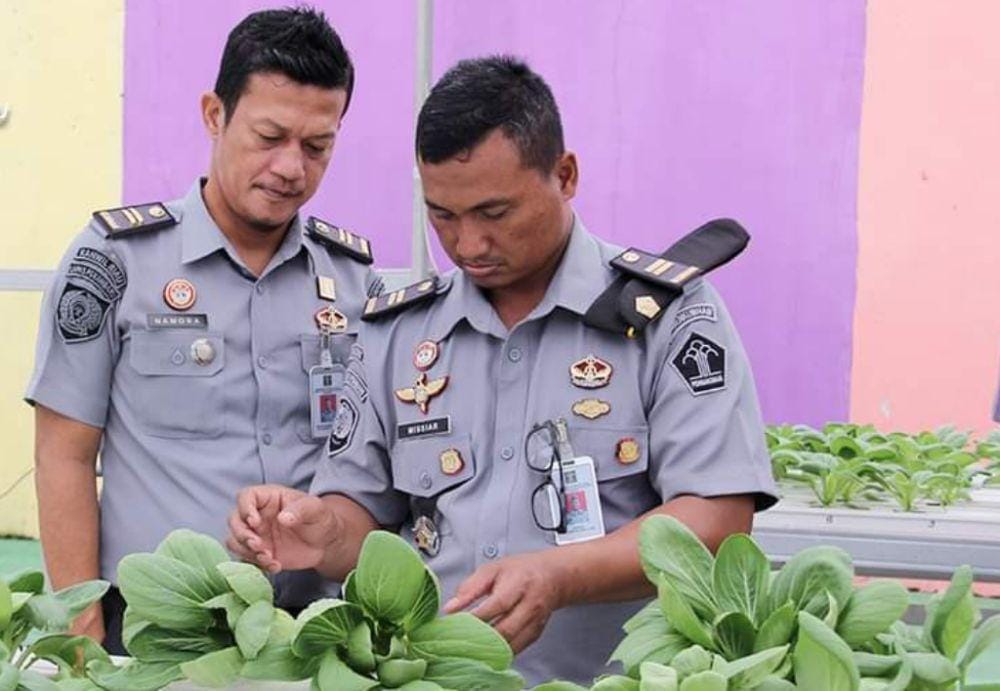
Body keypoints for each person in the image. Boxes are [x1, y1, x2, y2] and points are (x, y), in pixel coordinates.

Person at [228, 56, 777, 685]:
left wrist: (559, 576)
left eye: (494, 213)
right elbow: (362, 512)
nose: (468, 245)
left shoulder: (668, 321)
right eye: (443, 216)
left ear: (565, 175)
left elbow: (717, 518)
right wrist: (317, 531)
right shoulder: (399, 331)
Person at [25, 7, 379, 654]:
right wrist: (81, 637)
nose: (291, 167)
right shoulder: (114, 262)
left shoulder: (354, 280)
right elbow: (64, 453)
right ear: (214, 114)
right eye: (270, 135)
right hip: (156, 639)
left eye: (317, 146)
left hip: (310, 640)